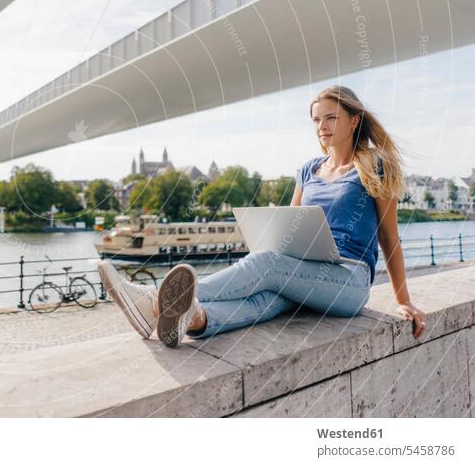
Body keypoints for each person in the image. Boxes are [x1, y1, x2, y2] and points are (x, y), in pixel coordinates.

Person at [98, 85, 428, 348]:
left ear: (353, 121)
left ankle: (153, 301)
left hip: (349, 280)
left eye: (331, 118)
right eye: (315, 120)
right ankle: (194, 317)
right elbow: (293, 226)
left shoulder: (374, 166)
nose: (321, 127)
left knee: (268, 263)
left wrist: (404, 300)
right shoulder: (307, 170)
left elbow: (389, 237)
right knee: (264, 300)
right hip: (305, 272)